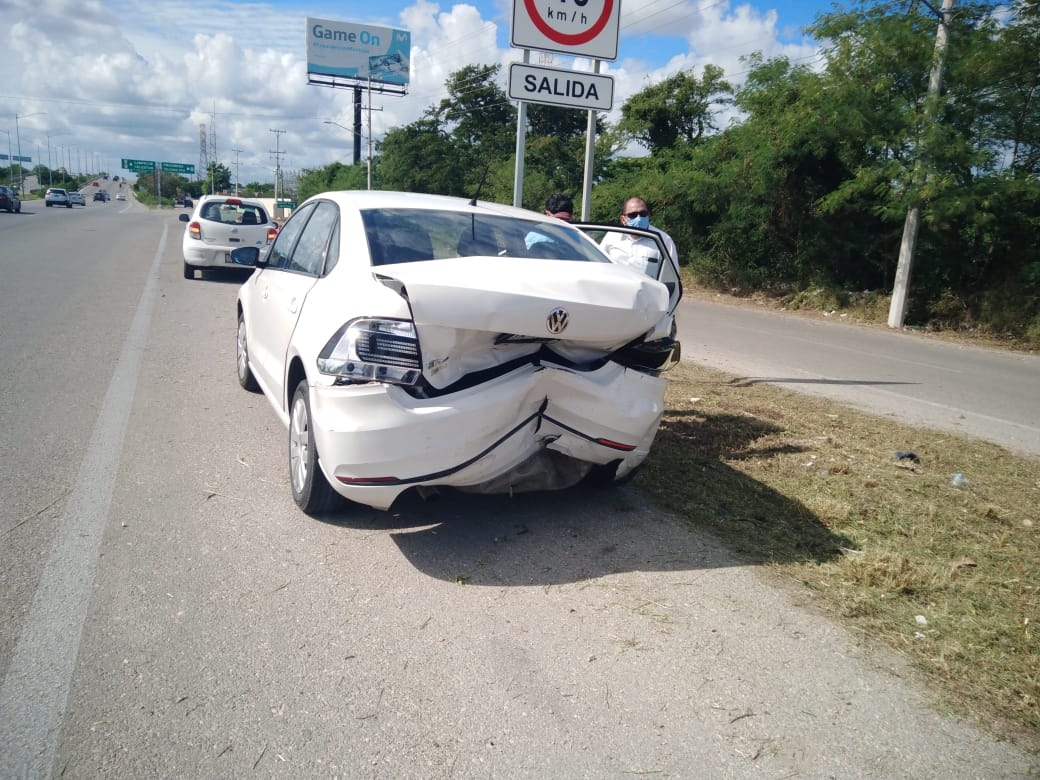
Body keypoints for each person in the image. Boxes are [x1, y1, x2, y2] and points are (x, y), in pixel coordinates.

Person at [599, 196, 677, 276]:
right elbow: (598, 263)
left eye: (643, 213)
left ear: (648, 215)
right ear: (623, 219)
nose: (639, 218)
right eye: (633, 215)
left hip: (648, 288)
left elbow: (671, 276)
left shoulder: (663, 240)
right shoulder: (612, 236)